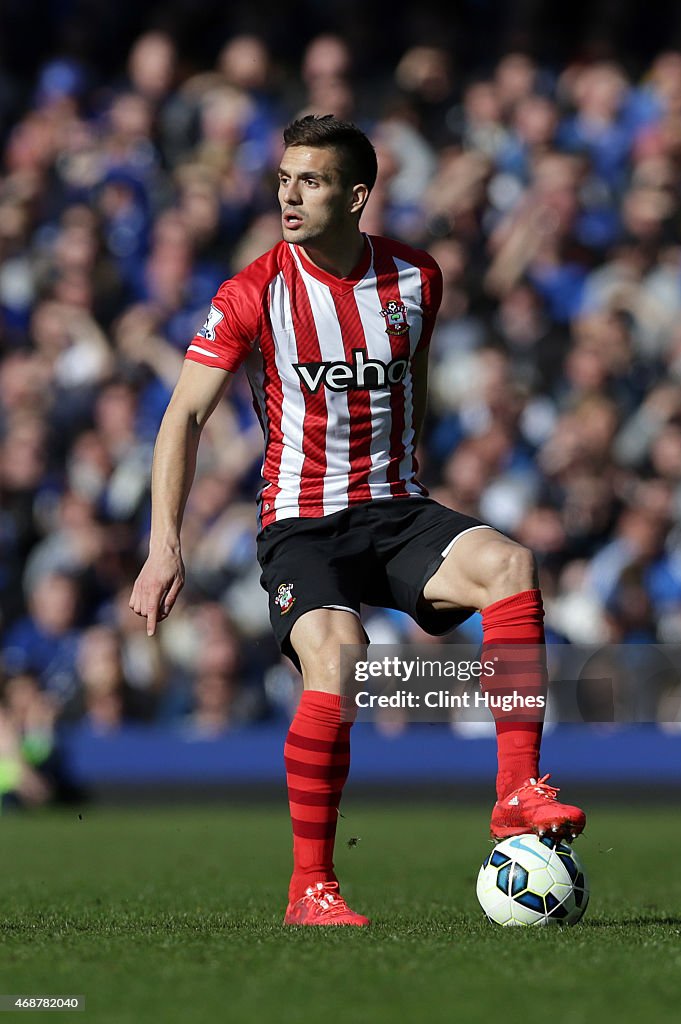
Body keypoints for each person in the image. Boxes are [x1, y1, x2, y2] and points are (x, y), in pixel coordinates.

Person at [130, 114, 586, 927]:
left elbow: (414, 391)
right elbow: (183, 418)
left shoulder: (418, 279)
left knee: (511, 563)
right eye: (283, 179)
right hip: (301, 525)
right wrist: (165, 547)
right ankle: (311, 889)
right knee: (339, 664)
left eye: (310, 180)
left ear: (357, 195)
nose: (289, 195)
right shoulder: (250, 292)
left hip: (398, 509)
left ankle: (516, 790)